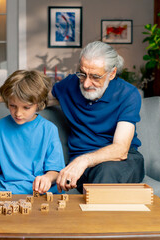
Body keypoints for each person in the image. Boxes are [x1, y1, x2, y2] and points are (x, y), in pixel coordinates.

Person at [50, 41, 144, 193]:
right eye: (82, 74)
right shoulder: (70, 84)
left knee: (106, 172)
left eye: (95, 77)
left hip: (120, 160)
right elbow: (36, 98)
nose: (86, 84)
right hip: (82, 164)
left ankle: (98, 216)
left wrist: (83, 160)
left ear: (112, 73)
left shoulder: (128, 94)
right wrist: (0, 99)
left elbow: (121, 149)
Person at [0, 70, 65, 195]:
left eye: (26, 107)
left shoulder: (49, 129)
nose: (18, 113)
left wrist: (47, 178)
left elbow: (55, 170)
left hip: (41, 192)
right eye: (13, 105)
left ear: (38, 104)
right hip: (5, 190)